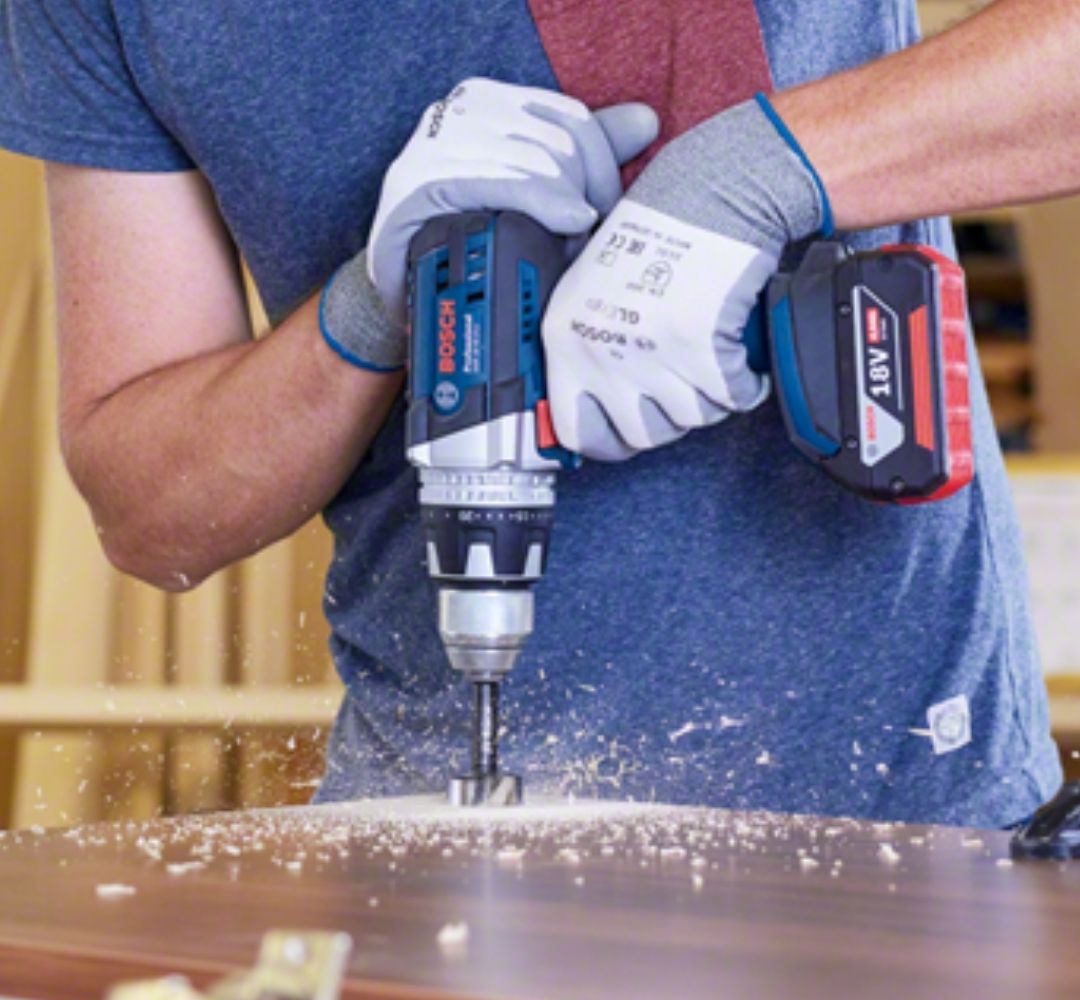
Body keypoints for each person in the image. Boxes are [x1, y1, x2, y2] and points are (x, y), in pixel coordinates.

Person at [0, 0, 1071, 826]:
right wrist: (374, 304)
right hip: (438, 819)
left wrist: (751, 175)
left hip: (905, 812)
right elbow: (150, 515)